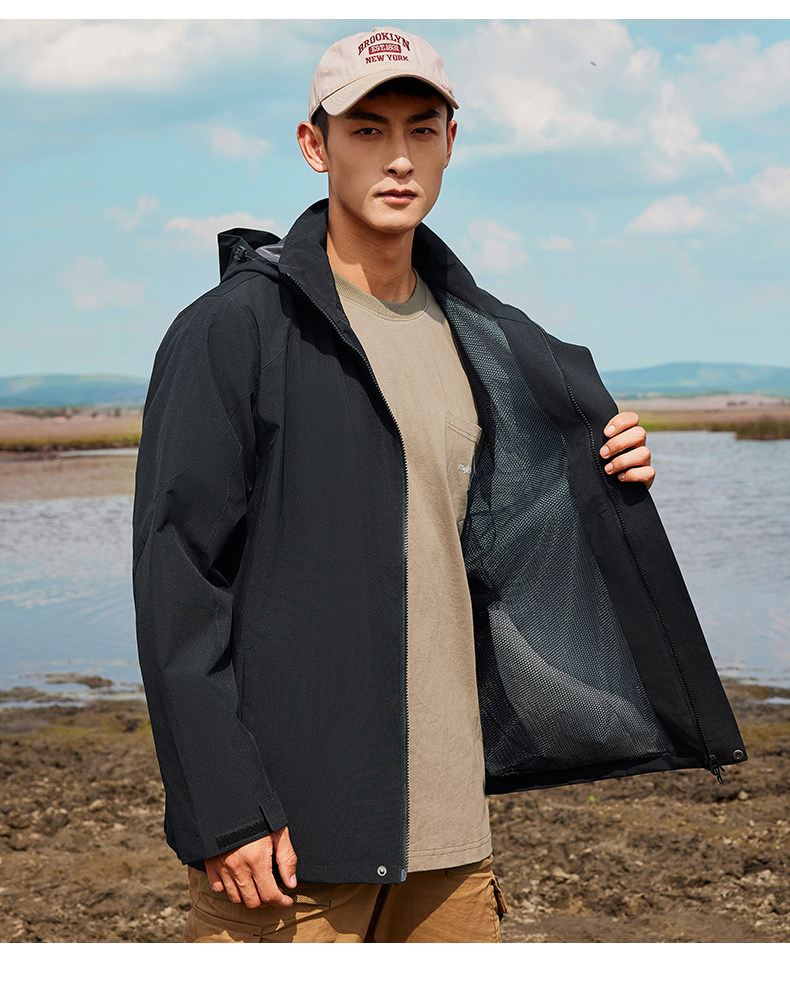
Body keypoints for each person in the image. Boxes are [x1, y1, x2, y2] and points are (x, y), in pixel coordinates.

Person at [132, 27, 746, 943]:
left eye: (422, 129)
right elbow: (176, 578)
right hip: (293, 840)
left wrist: (599, 475)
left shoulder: (482, 335)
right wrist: (224, 809)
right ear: (314, 146)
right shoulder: (236, 328)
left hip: (451, 834)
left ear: (451, 143)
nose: (399, 157)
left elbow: (486, 540)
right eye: (367, 129)